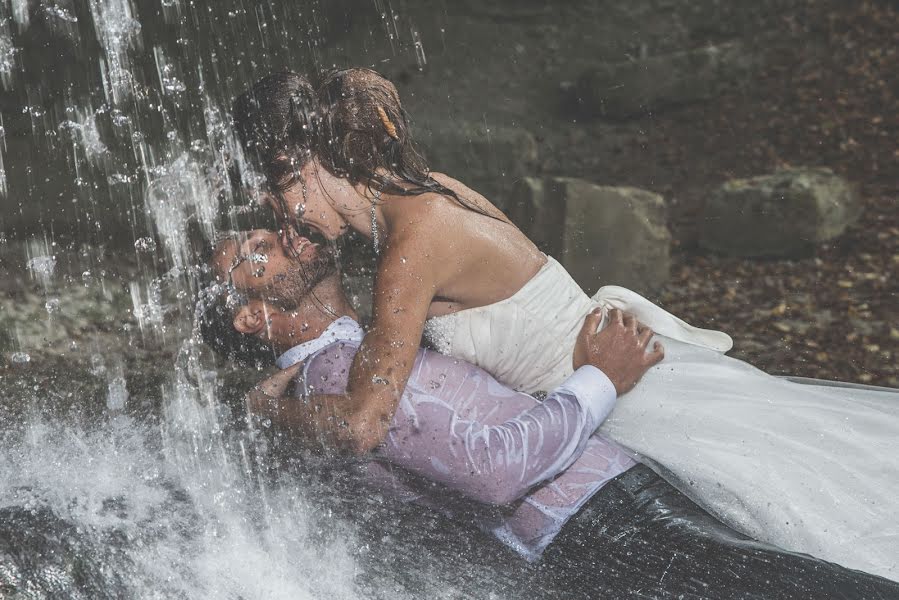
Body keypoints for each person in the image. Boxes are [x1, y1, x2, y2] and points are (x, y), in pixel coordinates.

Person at [230, 69, 899, 580]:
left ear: (306, 166)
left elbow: (363, 422)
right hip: (629, 388)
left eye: (281, 194)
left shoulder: (409, 251)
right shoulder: (432, 192)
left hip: (626, 410)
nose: (285, 221)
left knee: (805, 554)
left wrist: (267, 413)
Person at [198, 229, 899, 599]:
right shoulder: (329, 376)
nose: (283, 239)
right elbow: (494, 471)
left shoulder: (366, 348)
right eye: (255, 252)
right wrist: (600, 376)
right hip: (601, 527)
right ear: (251, 315)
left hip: (610, 511)